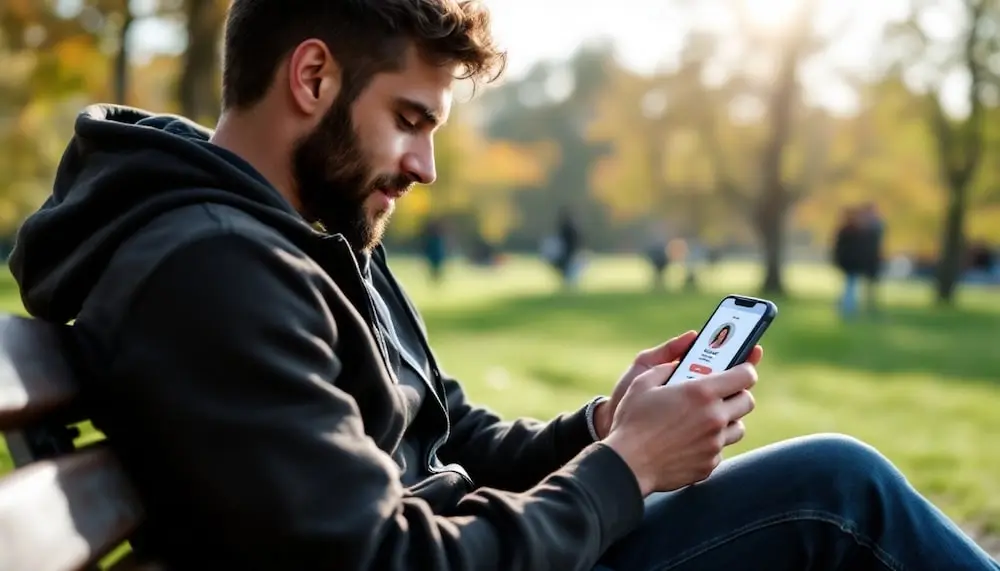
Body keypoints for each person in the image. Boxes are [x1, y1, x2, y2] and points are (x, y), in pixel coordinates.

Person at [7, 1, 997, 570]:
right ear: (311, 79)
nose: (425, 166)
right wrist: (626, 472)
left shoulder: (302, 236)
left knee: (834, 485)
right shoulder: (214, 270)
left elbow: (449, 433)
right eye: (410, 117)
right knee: (838, 493)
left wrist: (605, 427)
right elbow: (386, 562)